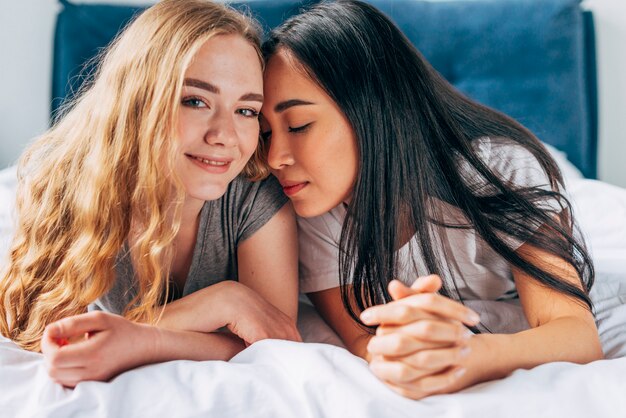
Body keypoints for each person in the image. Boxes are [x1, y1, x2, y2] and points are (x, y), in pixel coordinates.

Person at [259, 0, 603, 400]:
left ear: (374, 109)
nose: (275, 158)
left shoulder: (500, 170)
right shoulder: (311, 206)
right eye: (266, 132)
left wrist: (475, 355)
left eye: (299, 125)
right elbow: (366, 339)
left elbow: (578, 336)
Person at [0, 0, 300, 388]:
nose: (224, 135)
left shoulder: (254, 193)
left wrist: (141, 339)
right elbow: (69, 340)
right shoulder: (69, 182)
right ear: (139, 102)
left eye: (246, 110)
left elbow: (278, 341)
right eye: (195, 100)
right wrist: (222, 302)